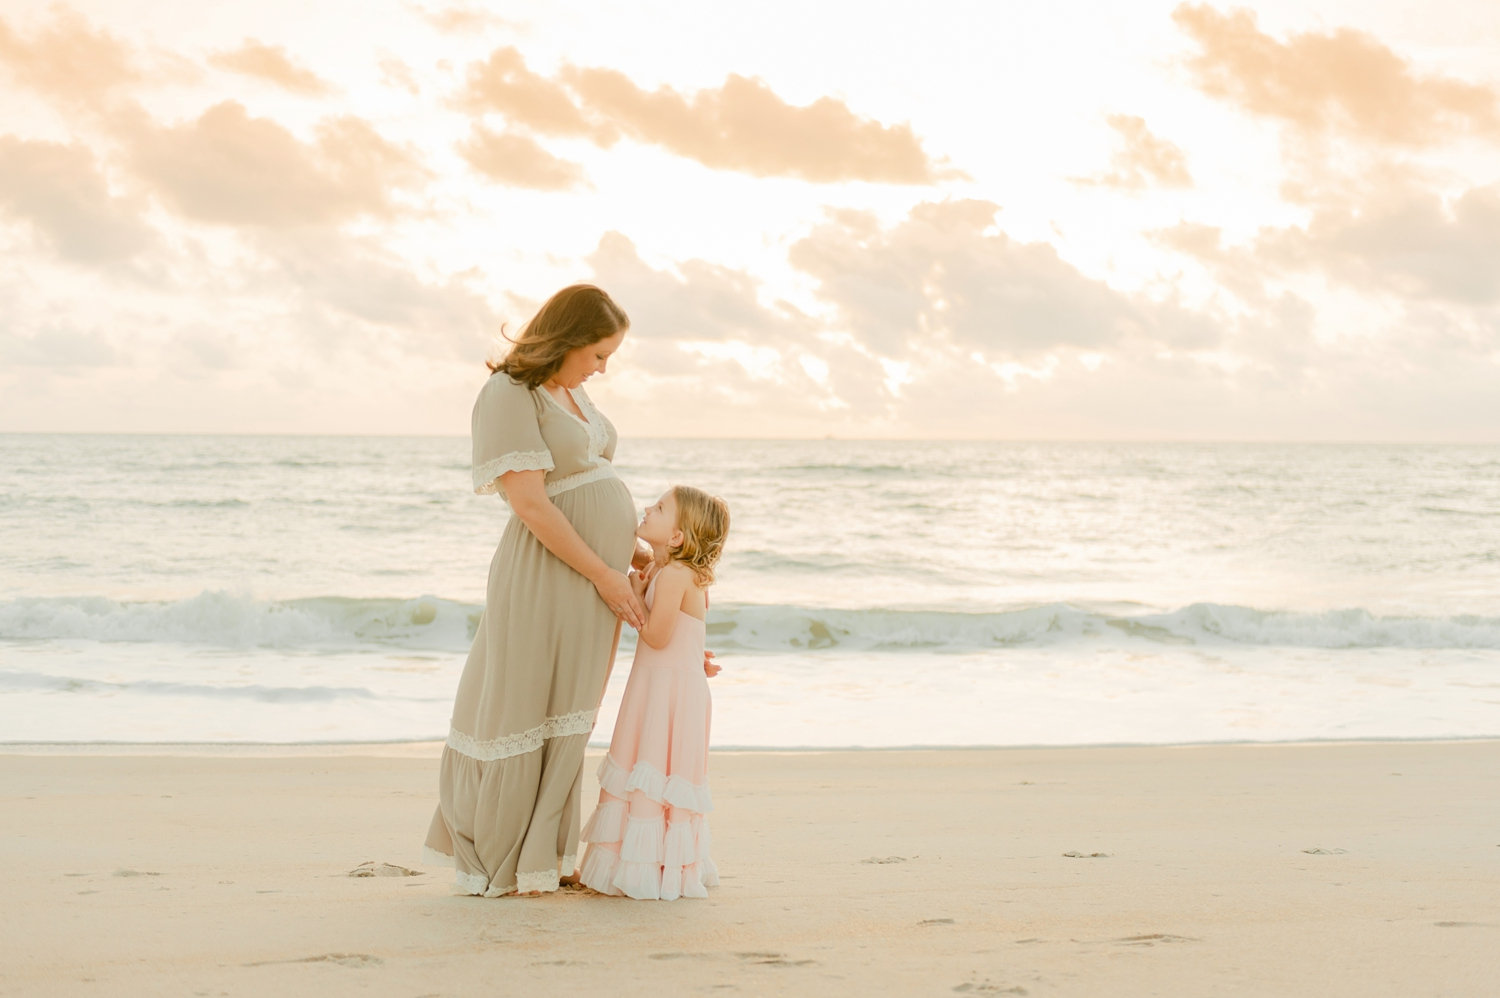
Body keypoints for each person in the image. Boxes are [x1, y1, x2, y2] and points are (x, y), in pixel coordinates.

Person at [423, 284, 647, 897]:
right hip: (549, 573)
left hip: (593, 575)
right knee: (522, 704)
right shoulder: (508, 393)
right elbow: (529, 501)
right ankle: (500, 857)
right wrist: (603, 571)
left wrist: (635, 553)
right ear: (568, 338)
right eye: (599, 354)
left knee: (570, 711)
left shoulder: (572, 392)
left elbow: (591, 481)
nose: (603, 368)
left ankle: (541, 858)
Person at [578, 485, 730, 900]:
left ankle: (652, 868)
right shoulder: (666, 572)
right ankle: (628, 861)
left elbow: (658, 636)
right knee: (642, 768)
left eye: (660, 508)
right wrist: (643, 583)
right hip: (657, 684)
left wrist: (632, 590)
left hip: (670, 694)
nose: (647, 507)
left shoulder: (677, 576)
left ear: (677, 537)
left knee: (656, 771)